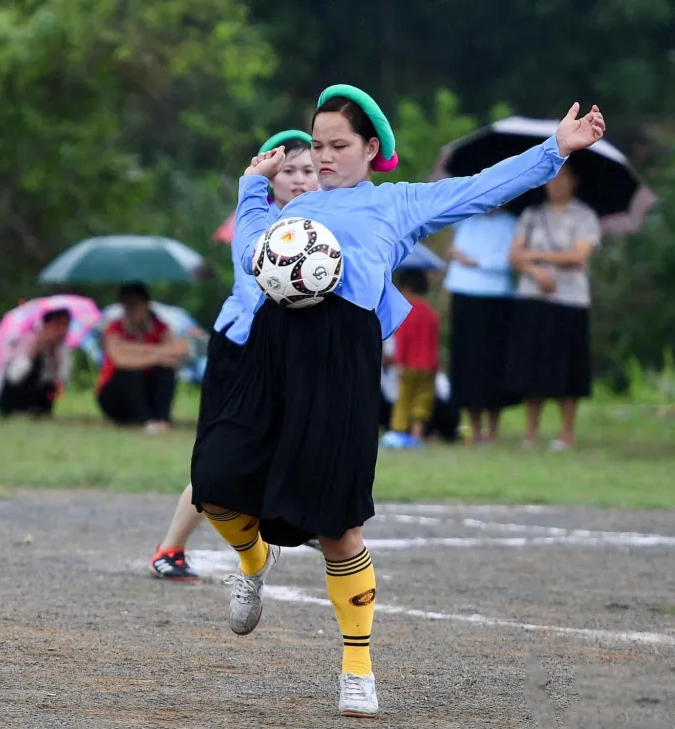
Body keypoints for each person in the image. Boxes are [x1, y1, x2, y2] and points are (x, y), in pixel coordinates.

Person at [191, 83, 604, 718]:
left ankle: (357, 669)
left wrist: (555, 149)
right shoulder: (290, 212)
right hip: (273, 352)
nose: (323, 157)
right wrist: (252, 187)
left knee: (338, 527)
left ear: (370, 149)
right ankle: (253, 558)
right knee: (214, 482)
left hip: (341, 362)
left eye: (338, 146)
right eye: (317, 145)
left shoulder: (397, 205)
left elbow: (480, 188)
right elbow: (250, 253)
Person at [150, 131, 318, 581]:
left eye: (308, 169)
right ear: (268, 176)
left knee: (286, 442)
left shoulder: (319, 222)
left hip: (278, 355)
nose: (301, 179)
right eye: (289, 171)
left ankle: (301, 518)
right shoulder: (257, 220)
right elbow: (263, 295)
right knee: (217, 457)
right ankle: (170, 548)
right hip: (239, 350)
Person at [506, 165, 601, 449]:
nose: (556, 184)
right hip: (533, 297)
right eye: (552, 179)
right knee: (531, 366)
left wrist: (535, 255)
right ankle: (531, 432)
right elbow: (514, 255)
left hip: (570, 300)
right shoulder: (532, 215)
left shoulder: (584, 216)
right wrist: (537, 272)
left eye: (563, 179)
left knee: (568, 367)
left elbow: (579, 254)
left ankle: (566, 432)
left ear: (574, 182)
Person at [444, 209, 520, 443]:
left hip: (496, 298)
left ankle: (493, 428)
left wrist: (475, 261)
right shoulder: (466, 218)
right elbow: (455, 252)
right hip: (464, 295)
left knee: (494, 362)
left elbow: (510, 258)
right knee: (467, 363)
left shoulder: (510, 223)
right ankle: (474, 426)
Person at [96, 282, 187, 433]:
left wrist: (133, 350)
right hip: (116, 395)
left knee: (165, 371)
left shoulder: (160, 327)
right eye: (126, 305)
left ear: (146, 305)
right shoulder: (114, 328)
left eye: (134, 304)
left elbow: (179, 351)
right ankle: (145, 420)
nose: (130, 310)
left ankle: (162, 419)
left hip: (147, 390)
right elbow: (120, 360)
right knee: (129, 373)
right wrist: (158, 354)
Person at [381, 269, 440, 448]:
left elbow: (403, 340)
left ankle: (398, 435)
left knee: (404, 400)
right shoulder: (430, 312)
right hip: (428, 366)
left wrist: (400, 363)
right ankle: (417, 435)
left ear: (405, 288)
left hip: (409, 365)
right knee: (422, 401)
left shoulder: (406, 311)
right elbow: (434, 342)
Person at [0, 308, 72, 417]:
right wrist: (33, 351)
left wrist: (56, 357)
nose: (62, 331)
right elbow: (14, 376)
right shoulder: (26, 340)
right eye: (57, 325)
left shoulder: (61, 349)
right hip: (14, 396)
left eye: (66, 325)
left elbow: (62, 379)